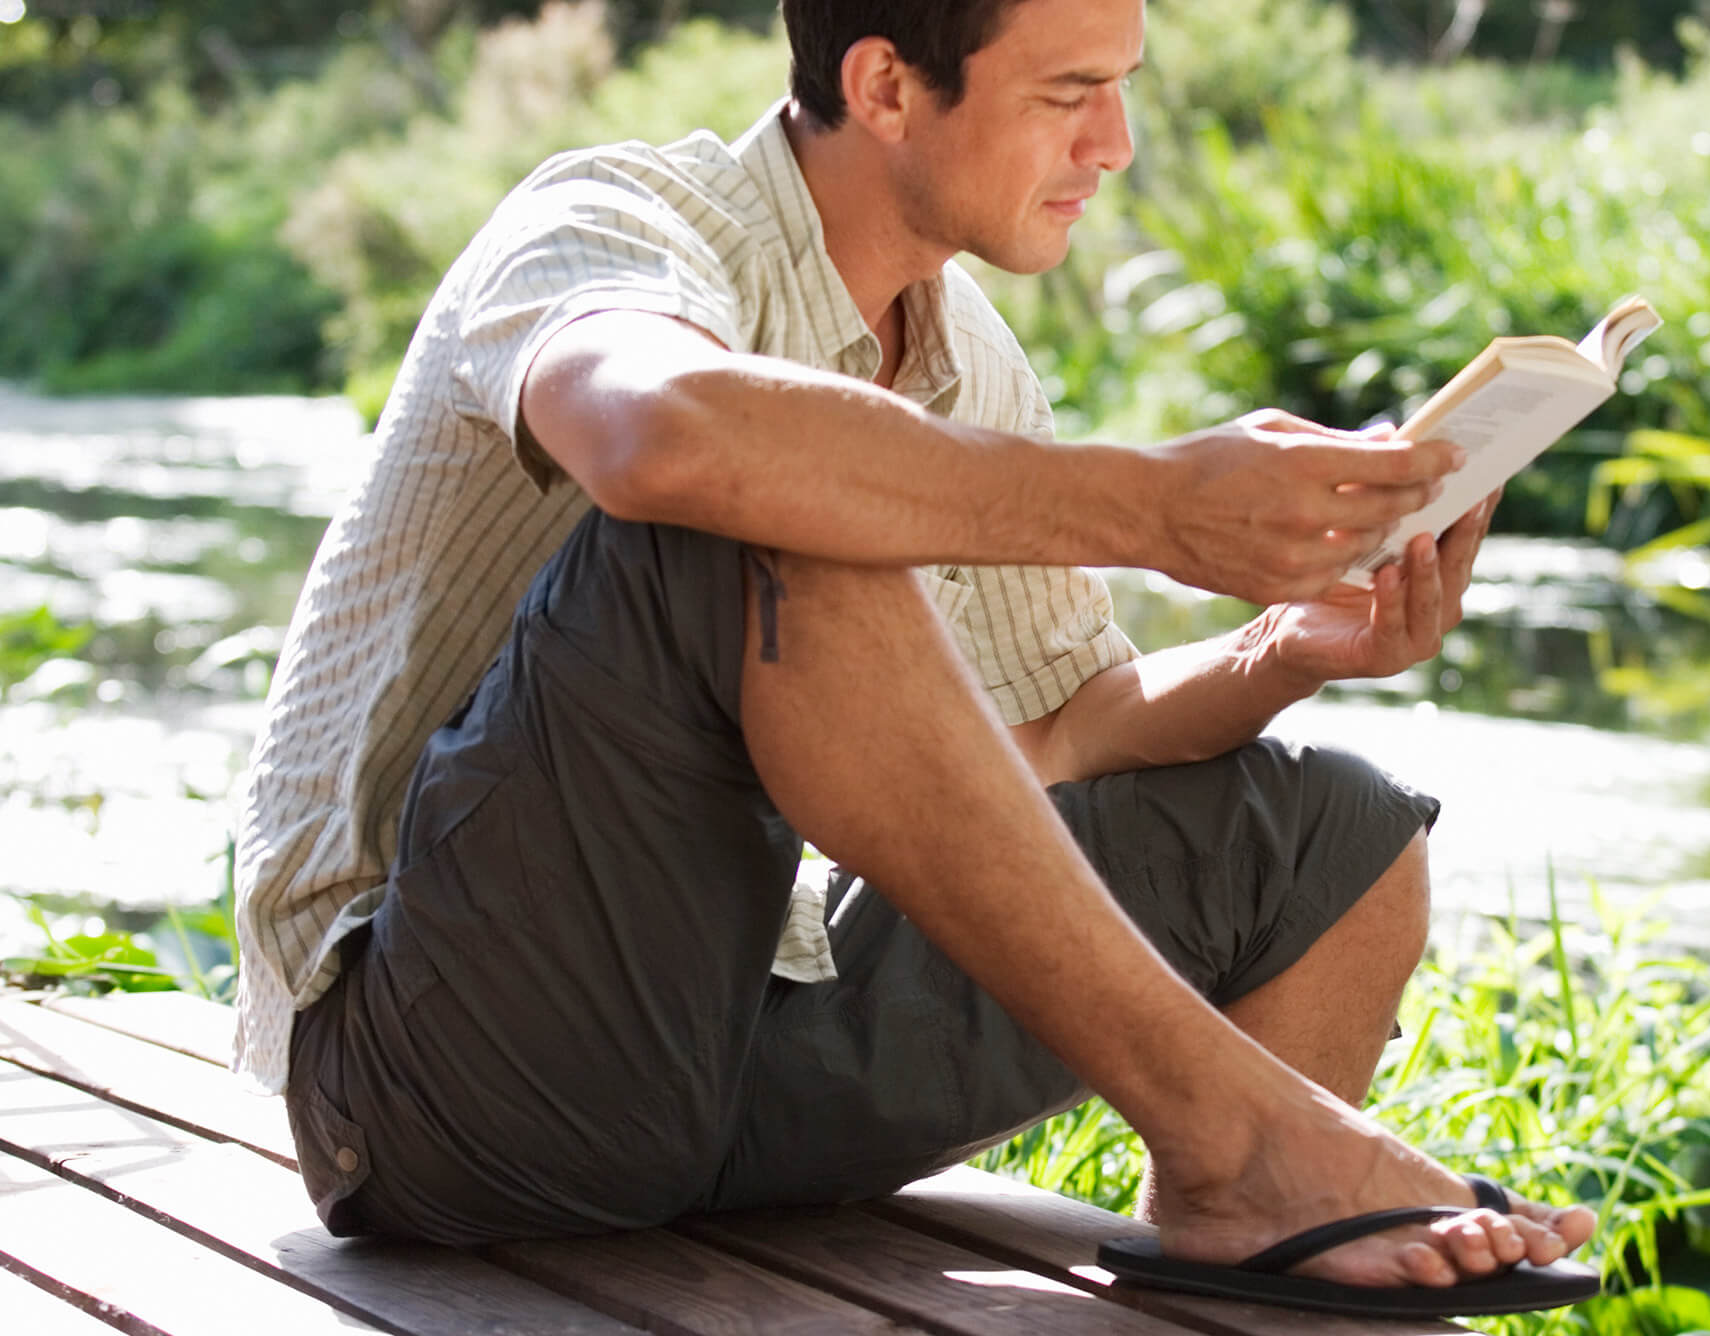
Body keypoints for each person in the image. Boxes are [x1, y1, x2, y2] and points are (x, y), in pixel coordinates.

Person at [234, 0, 1597, 1313]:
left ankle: (1237, 1224)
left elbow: (1057, 732)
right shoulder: (611, 219)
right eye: (1070, 94)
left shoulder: (962, 349)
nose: (1115, 144)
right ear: (886, 87)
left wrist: (1285, 647)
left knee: (1331, 833)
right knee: (755, 507)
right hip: (438, 1078)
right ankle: (1251, 1135)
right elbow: (661, 438)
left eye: (1123, 86)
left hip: (737, 1056)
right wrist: (1154, 504)